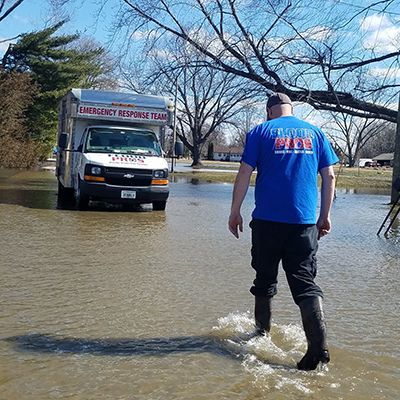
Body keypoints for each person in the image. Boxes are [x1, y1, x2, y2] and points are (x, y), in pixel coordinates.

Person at [228, 92, 339, 371]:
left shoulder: (261, 131)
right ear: (292, 109)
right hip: (303, 222)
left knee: (265, 279)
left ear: (269, 111)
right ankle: (318, 347)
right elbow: (330, 175)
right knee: (304, 281)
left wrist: (235, 211)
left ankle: (261, 334)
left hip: (267, 222)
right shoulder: (316, 133)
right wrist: (324, 216)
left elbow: (244, 173)